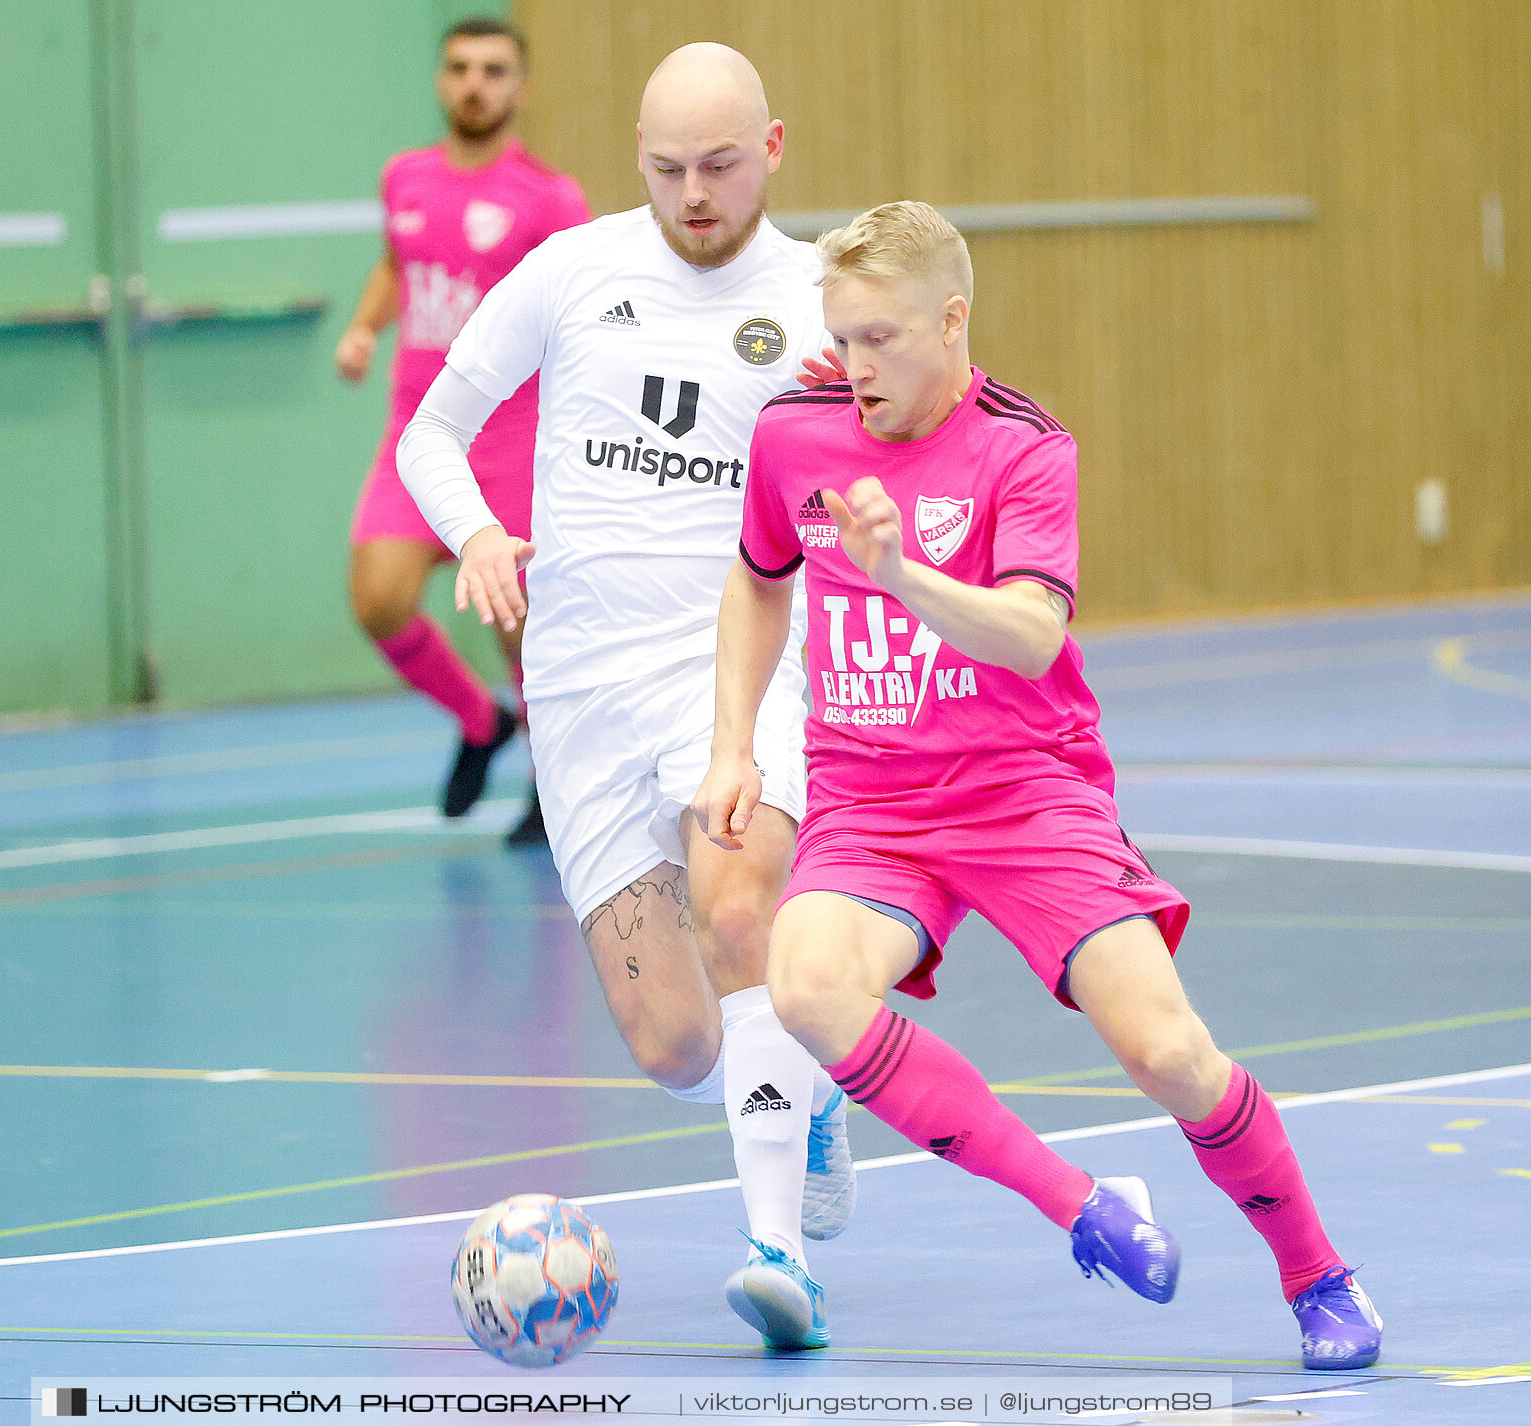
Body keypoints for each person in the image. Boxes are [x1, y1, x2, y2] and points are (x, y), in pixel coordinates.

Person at [694, 200, 1382, 1371]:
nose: (857, 366)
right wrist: (733, 743)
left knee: (1169, 1053)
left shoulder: (1025, 446)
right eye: (842, 336)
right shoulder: (795, 432)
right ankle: (1080, 1201)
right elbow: (758, 578)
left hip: (1027, 792)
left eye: (884, 339)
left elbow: (1027, 634)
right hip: (874, 804)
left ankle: (1319, 1273)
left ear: (952, 320)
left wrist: (900, 574)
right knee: (803, 986)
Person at [396, 44, 853, 1350]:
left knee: (739, 902)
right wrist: (480, 533)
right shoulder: (571, 271)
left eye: (719, 165)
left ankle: (778, 1257)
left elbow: (906, 450)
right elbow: (433, 429)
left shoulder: (821, 297)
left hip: (738, 665)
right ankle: (807, 1084)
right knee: (672, 1044)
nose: (693, 193)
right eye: (666, 168)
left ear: (771, 149)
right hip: (582, 688)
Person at [336, 14, 589, 845]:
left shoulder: (550, 199)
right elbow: (394, 263)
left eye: (493, 69)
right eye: (459, 68)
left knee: (520, 624)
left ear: (519, 86)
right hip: (417, 433)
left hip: (511, 446)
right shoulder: (404, 178)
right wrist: (366, 328)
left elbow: (579, 313)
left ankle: (554, 788)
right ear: (441, 80)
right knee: (378, 600)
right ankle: (481, 724)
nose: (474, 83)